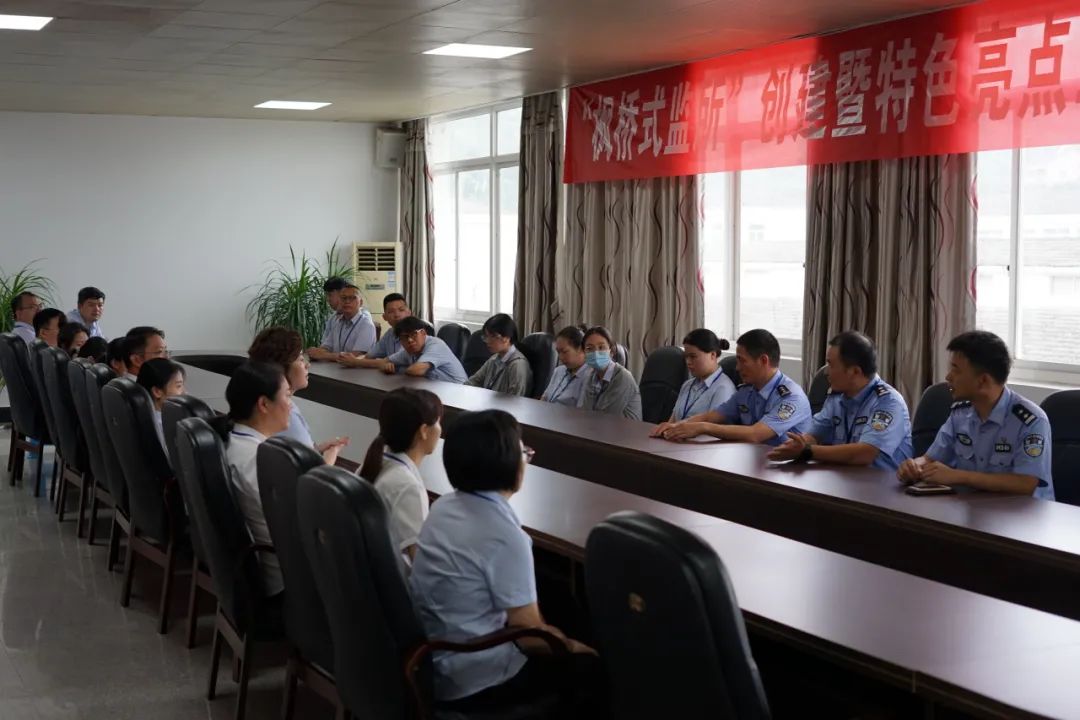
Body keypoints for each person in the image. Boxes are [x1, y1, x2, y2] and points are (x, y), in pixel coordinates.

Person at [410, 410, 600, 715]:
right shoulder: (504, 535)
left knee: (558, 595)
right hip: (476, 681)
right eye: (523, 452)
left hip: (434, 660)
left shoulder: (444, 506)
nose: (526, 459)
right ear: (508, 465)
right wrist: (573, 645)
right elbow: (530, 637)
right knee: (591, 670)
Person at [897, 331, 1054, 499]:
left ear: (983, 381)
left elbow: (1026, 484)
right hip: (975, 507)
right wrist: (914, 466)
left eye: (956, 370)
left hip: (1022, 512)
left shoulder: (1031, 421)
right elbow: (930, 459)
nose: (948, 376)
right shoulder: (960, 413)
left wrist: (959, 476)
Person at [767, 331, 913, 470]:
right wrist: (795, 445)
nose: (826, 371)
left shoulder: (889, 402)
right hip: (844, 479)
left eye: (831, 365)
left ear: (855, 371)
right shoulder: (836, 398)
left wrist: (807, 451)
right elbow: (813, 435)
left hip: (881, 484)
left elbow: (865, 453)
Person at [210, 361, 294, 596]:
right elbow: (296, 523)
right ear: (264, 404)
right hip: (285, 579)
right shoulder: (258, 460)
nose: (291, 404)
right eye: (288, 395)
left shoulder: (233, 441)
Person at [654, 328, 811, 446]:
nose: (737, 368)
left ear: (763, 361)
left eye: (742, 361)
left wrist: (702, 428)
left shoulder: (791, 397)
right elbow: (712, 416)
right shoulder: (746, 391)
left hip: (789, 470)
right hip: (755, 463)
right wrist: (676, 426)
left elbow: (755, 434)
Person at [358, 388, 443, 561]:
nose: (440, 429)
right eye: (439, 422)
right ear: (424, 431)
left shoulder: (370, 465)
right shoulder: (408, 487)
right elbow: (421, 564)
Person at [247, 327, 348, 465]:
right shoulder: (285, 414)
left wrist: (316, 450)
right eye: (301, 359)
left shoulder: (264, 402)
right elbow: (312, 476)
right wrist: (331, 455)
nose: (307, 365)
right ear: (282, 367)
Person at [667, 329, 736, 423]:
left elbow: (712, 428)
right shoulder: (687, 385)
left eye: (693, 356)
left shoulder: (723, 389)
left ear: (712, 355)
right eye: (686, 356)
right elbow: (672, 420)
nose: (688, 362)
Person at [577, 326, 641, 420]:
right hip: (596, 427)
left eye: (601, 347)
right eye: (589, 348)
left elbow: (606, 414)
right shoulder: (590, 376)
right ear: (584, 353)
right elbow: (585, 411)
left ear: (611, 351)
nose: (596, 352)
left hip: (624, 428)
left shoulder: (623, 377)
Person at [382, 316, 468, 383]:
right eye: (405, 337)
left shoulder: (436, 345)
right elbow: (382, 362)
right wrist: (386, 366)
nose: (410, 340)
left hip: (458, 392)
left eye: (414, 334)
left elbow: (416, 370)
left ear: (423, 333)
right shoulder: (410, 350)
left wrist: (397, 369)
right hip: (435, 389)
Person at [337, 292, 412, 368]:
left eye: (401, 310)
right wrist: (352, 360)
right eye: (391, 312)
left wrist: (355, 362)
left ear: (409, 313)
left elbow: (388, 362)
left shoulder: (414, 334)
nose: (397, 315)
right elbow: (369, 355)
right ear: (384, 317)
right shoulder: (389, 334)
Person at [465, 314, 532, 396]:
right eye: (486, 336)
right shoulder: (493, 359)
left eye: (493, 336)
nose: (487, 341)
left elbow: (516, 400)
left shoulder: (517, 365)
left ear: (507, 338)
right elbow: (472, 382)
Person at [309, 283, 376, 360]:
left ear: (361, 302)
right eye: (344, 298)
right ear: (339, 301)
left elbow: (356, 356)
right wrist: (316, 352)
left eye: (352, 298)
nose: (347, 301)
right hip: (334, 366)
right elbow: (327, 347)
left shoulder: (366, 324)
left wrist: (324, 355)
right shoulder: (338, 322)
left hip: (355, 367)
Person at [136, 358, 186, 459]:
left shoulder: (142, 416)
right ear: (157, 391)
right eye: (179, 386)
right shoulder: (164, 425)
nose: (185, 392)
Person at [540, 326, 592, 408]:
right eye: (558, 352)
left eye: (564, 352)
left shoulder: (590, 376)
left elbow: (582, 411)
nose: (560, 357)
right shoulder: (558, 371)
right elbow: (544, 398)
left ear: (580, 349)